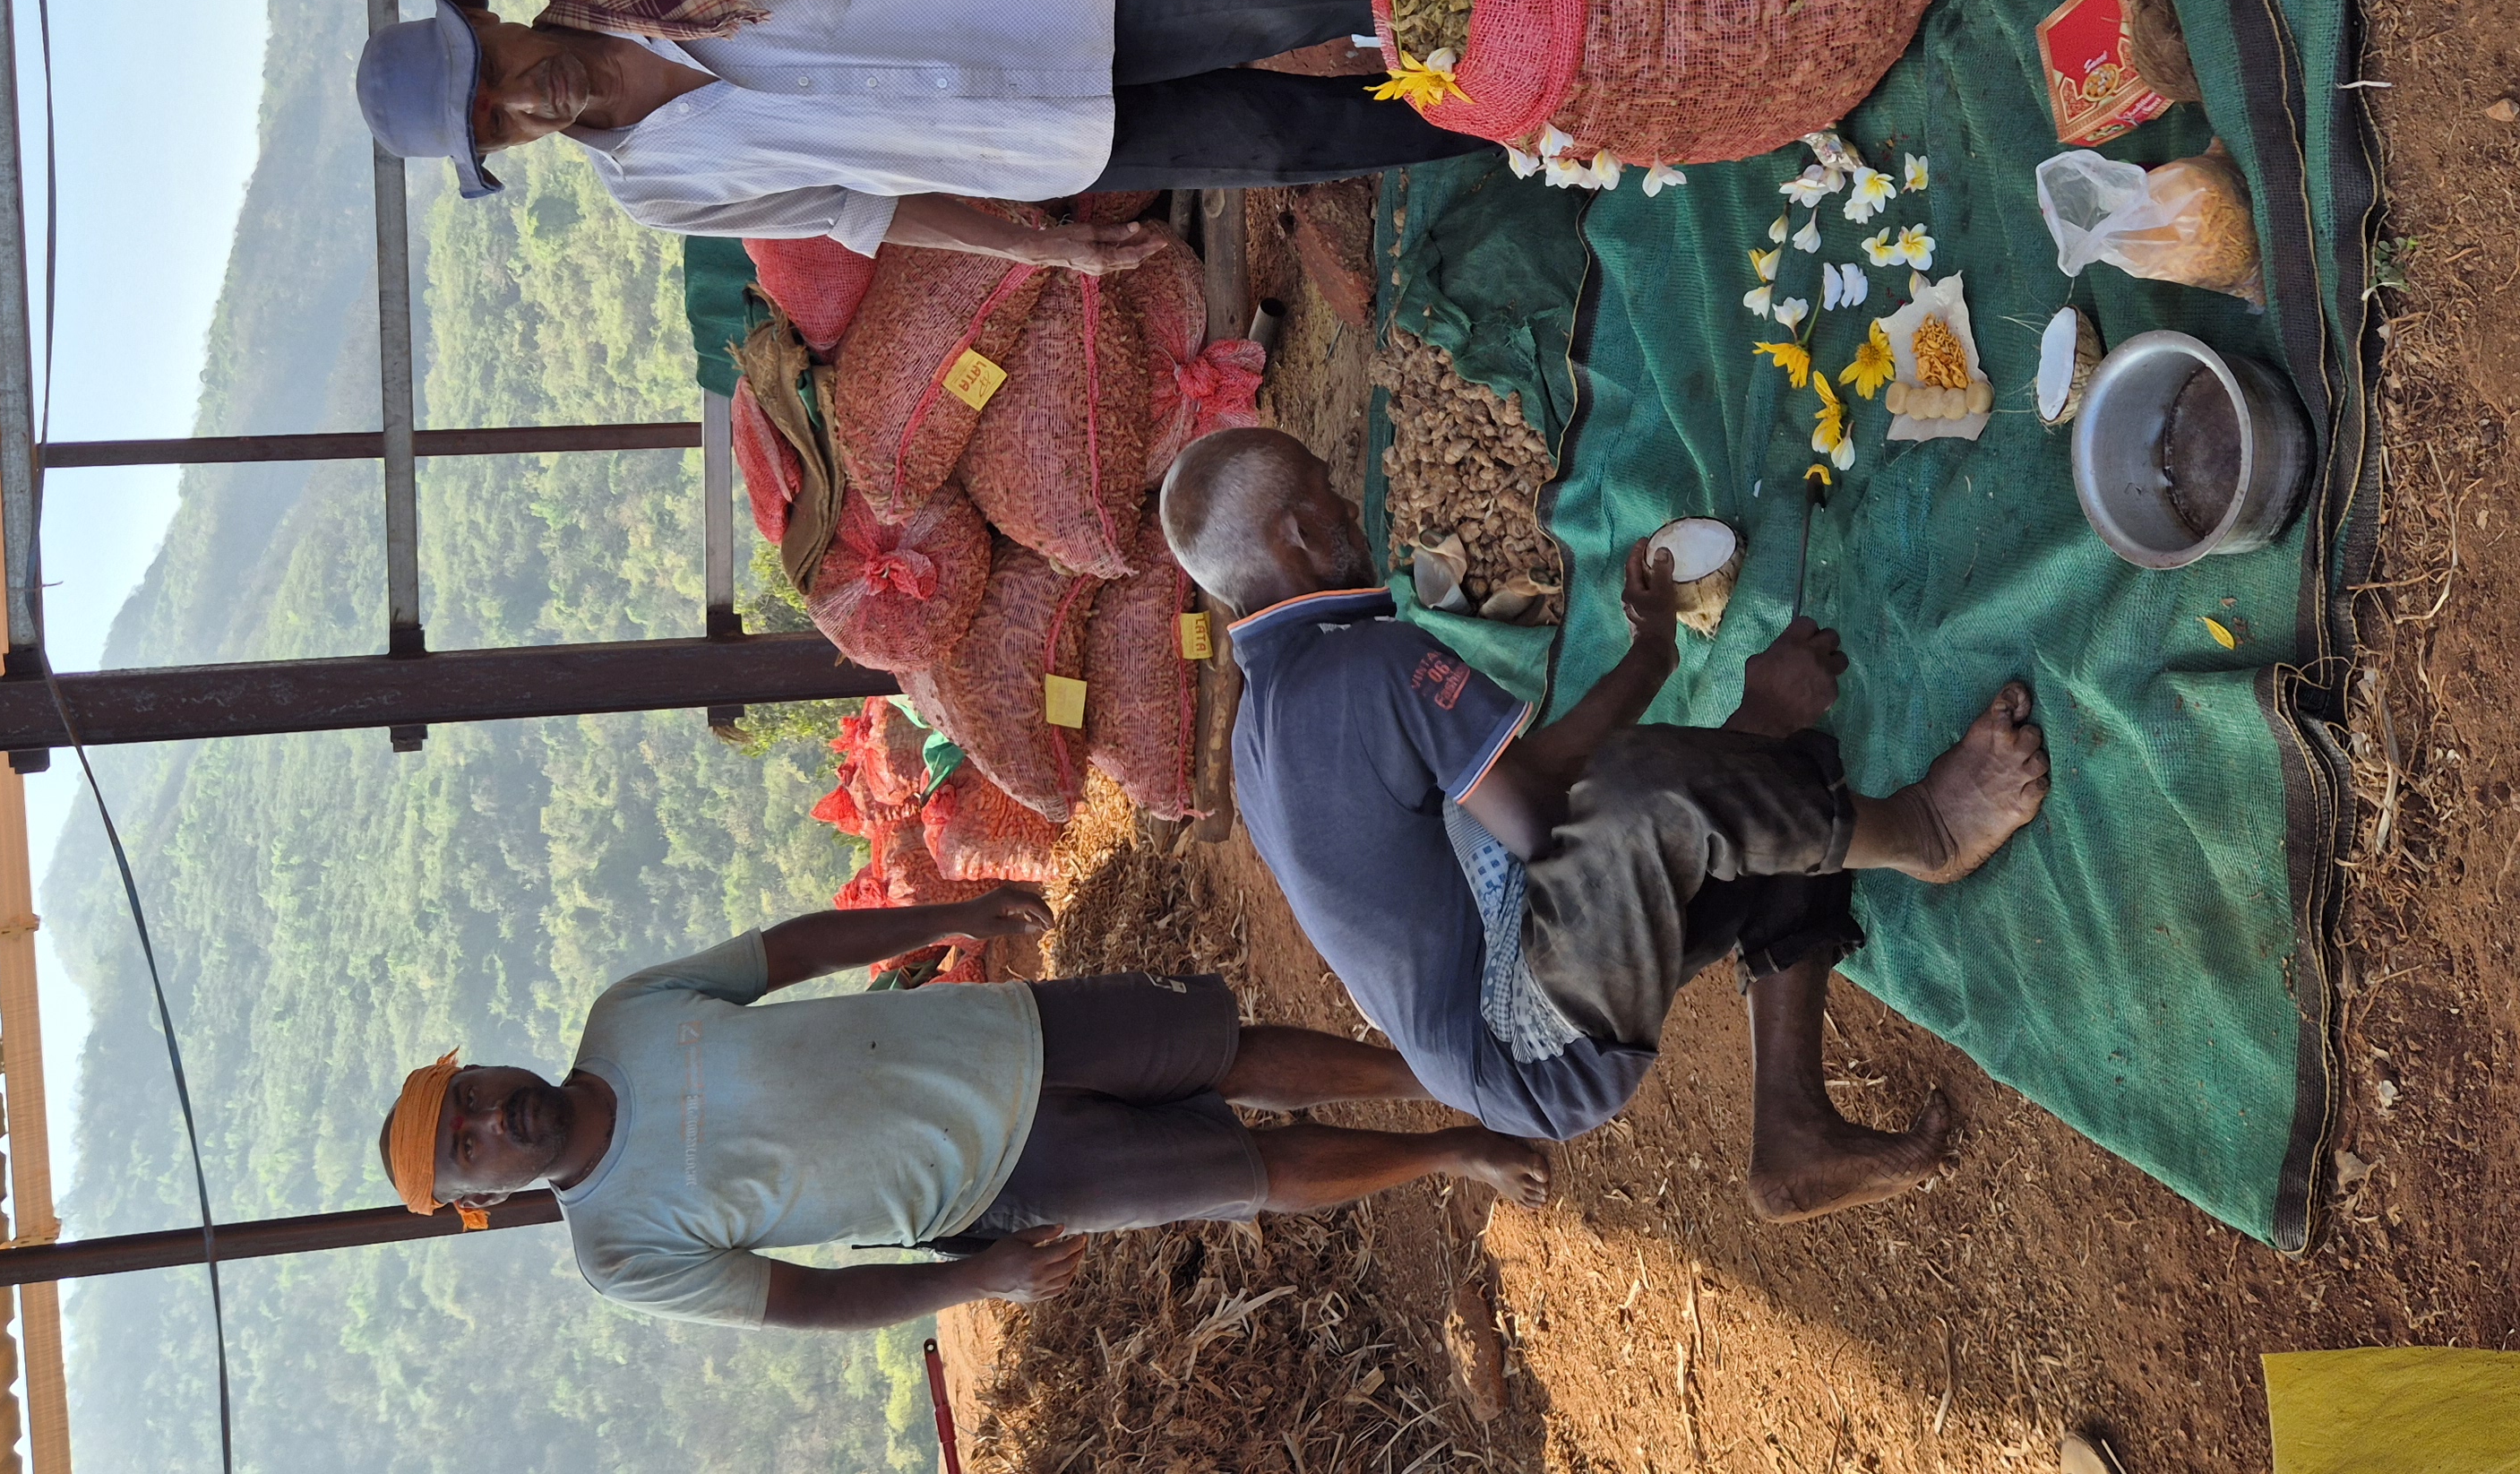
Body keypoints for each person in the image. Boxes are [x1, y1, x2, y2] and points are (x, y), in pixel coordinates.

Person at [1158, 427, 2052, 1220]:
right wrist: (1750, 723)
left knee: (1775, 785)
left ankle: (1793, 1128)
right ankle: (1928, 832)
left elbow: (1522, 784)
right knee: (1665, 786)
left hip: (1501, 989)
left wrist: (1654, 655)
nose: (1348, 507)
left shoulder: (1256, 738)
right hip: (1525, 1034)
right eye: (1327, 490)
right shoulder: (1368, 664)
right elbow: (1558, 823)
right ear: (1298, 534)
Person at [378, 880, 1550, 1330]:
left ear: (489, 1069)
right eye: (465, 1148)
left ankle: (1438, 1073)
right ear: (485, 1196)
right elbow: (806, 1299)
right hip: (992, 1182)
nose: (485, 1121)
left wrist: (951, 917)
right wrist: (974, 1279)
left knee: (1227, 1053)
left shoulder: (624, 1014)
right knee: (1246, 1173)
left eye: (465, 1097)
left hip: (1002, 1027)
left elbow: (790, 951)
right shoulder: (619, 1252)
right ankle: (1457, 1147)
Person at [351, 0, 1477, 272]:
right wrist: (1039, 245)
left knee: (1296, 2)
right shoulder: (657, 190)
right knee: (1294, 141)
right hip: (1043, 144)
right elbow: (859, 212)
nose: (522, 100)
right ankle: (1506, 118)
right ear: (507, 148)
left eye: (488, 71)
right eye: (494, 124)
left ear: (485, 16)